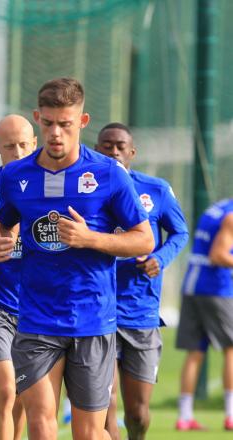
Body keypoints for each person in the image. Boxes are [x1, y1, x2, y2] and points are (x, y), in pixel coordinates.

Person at [0, 77, 154, 440]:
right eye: (48, 123)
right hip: (36, 319)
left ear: (82, 121)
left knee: (89, 433)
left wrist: (90, 238)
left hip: (91, 319)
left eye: (65, 123)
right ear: (38, 119)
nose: (56, 133)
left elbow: (145, 239)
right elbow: (4, 226)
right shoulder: (15, 175)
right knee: (41, 422)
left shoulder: (109, 175)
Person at [94, 123, 189, 439]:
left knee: (137, 413)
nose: (114, 151)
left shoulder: (156, 190)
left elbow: (180, 232)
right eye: (107, 145)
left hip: (140, 313)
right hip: (97, 311)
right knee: (104, 400)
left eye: (121, 146)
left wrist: (158, 260)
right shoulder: (85, 191)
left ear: (132, 152)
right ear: (97, 149)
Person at [0, 114, 36, 440]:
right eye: (9, 146)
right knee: (4, 388)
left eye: (23, 145)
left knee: (25, 396)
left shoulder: (49, 188)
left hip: (34, 307)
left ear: (34, 144)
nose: (17, 152)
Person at [175, 198, 233, 431]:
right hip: (216, 288)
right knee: (231, 349)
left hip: (192, 286)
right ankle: (231, 415)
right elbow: (218, 255)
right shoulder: (231, 216)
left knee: (195, 353)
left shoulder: (216, 208)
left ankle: (185, 417)